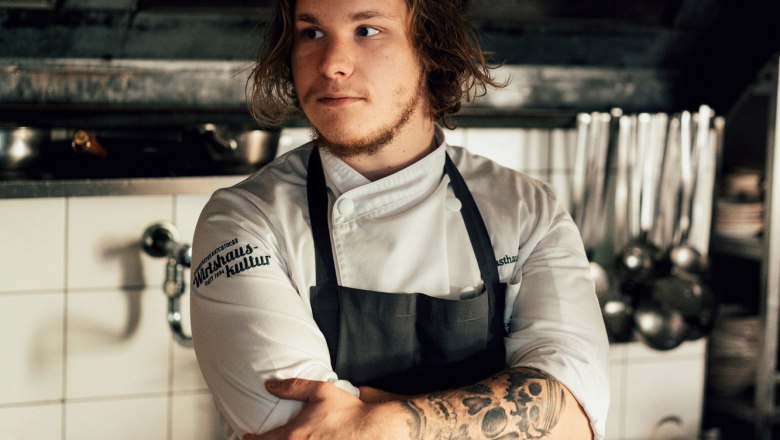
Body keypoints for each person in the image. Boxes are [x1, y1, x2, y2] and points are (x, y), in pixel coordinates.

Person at [190, 0, 610, 438]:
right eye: (311, 33)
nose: (332, 63)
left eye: (367, 30)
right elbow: (296, 429)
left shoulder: (527, 212)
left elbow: (573, 420)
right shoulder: (243, 221)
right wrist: (507, 415)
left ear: (430, 50)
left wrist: (379, 423)